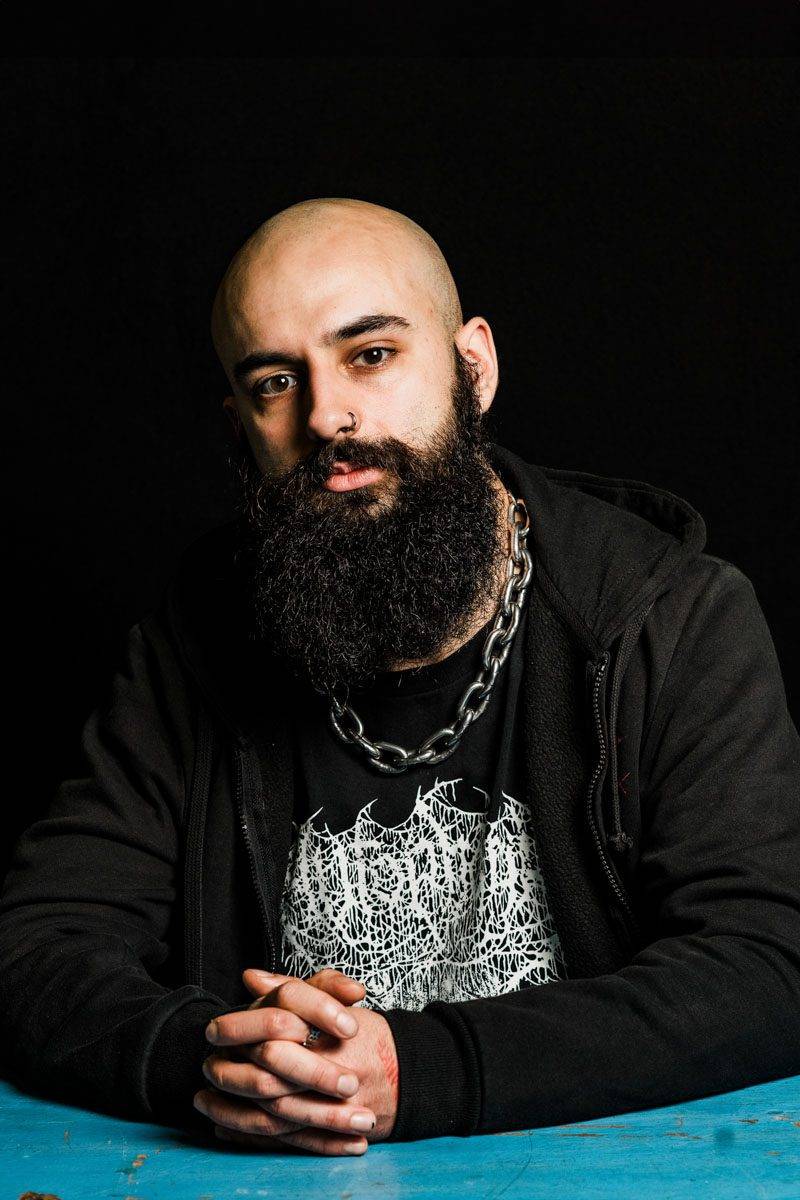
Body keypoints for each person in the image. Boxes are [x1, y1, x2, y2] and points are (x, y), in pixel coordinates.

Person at [1, 197, 799, 1159]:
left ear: (475, 367)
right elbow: (36, 948)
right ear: (240, 422)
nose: (328, 415)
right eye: (273, 382)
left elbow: (769, 960)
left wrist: (417, 1074)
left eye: (370, 355)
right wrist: (207, 1057)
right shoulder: (188, 646)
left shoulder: (670, 620)